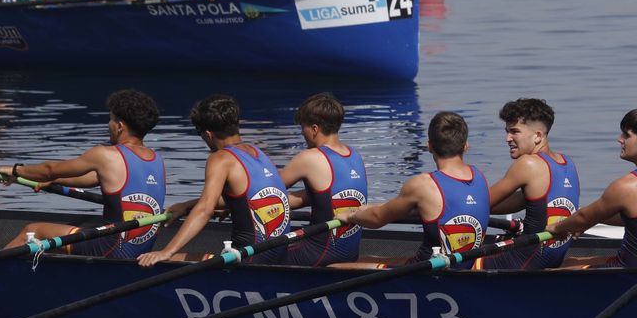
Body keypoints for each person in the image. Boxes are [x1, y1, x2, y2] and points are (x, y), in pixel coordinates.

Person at [0, 90, 167, 259]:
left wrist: (16, 170)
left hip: (110, 249)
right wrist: (53, 180)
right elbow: (94, 179)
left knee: (32, 231)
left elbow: (50, 169)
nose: (109, 125)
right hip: (139, 249)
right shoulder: (157, 160)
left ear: (120, 126)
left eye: (111, 120)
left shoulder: (106, 155)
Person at [137, 95, 291, 266]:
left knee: (165, 261)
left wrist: (166, 251)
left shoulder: (220, 158)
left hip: (248, 260)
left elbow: (205, 210)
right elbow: (248, 197)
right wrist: (188, 206)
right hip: (278, 253)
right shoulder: (258, 153)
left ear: (208, 134)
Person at [340, 111, 489, 265]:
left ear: (430, 146)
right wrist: (364, 208)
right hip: (466, 267)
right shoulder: (479, 176)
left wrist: (350, 216)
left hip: (425, 273)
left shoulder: (423, 184)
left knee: (335, 267)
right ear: (465, 146)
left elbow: (376, 219)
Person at [550, 106, 637, 268]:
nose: (619, 139)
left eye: (626, 135)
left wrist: (557, 227)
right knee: (574, 261)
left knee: (561, 268)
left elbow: (583, 217)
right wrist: (585, 222)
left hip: (631, 273)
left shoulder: (628, 186)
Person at [482, 98, 579, 270]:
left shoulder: (528, 164)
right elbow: (527, 201)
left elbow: (479, 205)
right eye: (507, 131)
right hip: (550, 261)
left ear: (538, 136)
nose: (507, 138)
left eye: (514, 132)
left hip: (521, 264)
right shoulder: (567, 163)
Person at [278, 92, 368, 266]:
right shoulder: (355, 156)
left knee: (264, 252)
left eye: (302, 127)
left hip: (317, 255)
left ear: (314, 129)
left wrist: (226, 205)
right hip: (350, 253)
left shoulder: (309, 158)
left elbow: (260, 192)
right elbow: (324, 196)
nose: (302, 133)